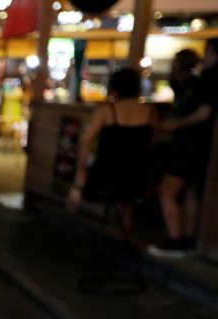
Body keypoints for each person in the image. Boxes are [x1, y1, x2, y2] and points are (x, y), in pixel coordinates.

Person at [67, 68, 156, 237]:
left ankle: (77, 216)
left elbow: (85, 142)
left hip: (106, 176)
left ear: (113, 88)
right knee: (127, 196)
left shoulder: (107, 111)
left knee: (82, 184)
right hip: (138, 178)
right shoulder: (151, 112)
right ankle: (123, 233)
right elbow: (150, 145)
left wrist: (80, 177)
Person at [148, 42, 218, 257]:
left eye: (209, 52)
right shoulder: (199, 81)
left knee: (168, 191)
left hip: (188, 145)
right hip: (201, 147)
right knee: (189, 194)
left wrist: (174, 125)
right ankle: (187, 239)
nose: (205, 57)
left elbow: (204, 113)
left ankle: (176, 240)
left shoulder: (206, 81)